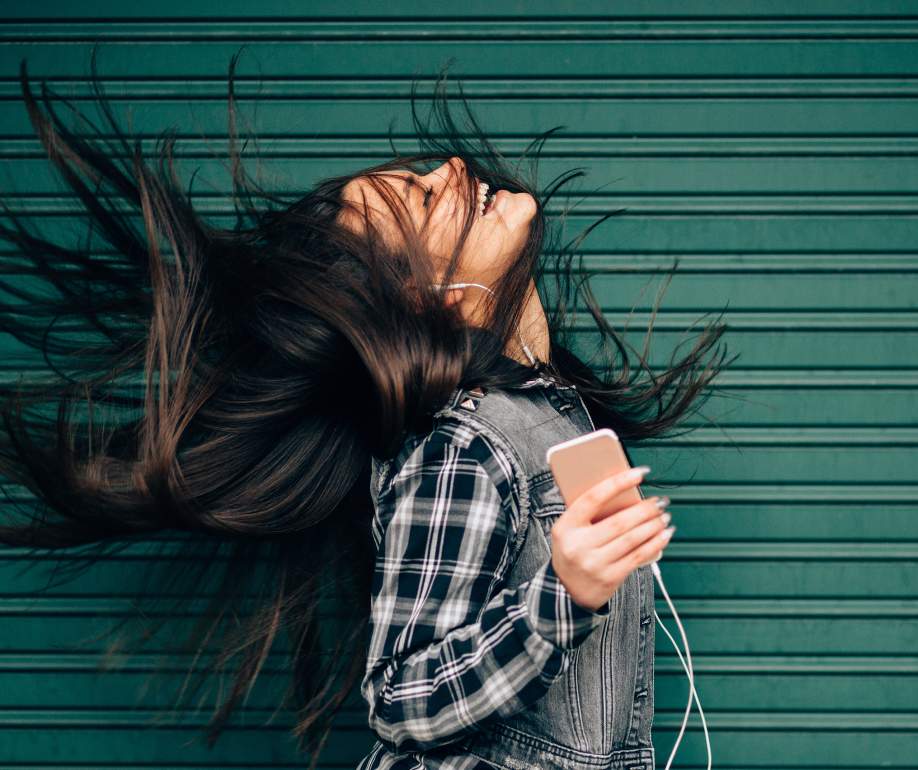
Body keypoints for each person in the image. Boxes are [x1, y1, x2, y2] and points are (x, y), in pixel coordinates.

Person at [0, 51, 730, 770]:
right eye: (420, 199)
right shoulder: (462, 449)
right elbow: (402, 695)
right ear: (419, 296)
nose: (451, 169)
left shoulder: (550, 413)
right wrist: (560, 599)